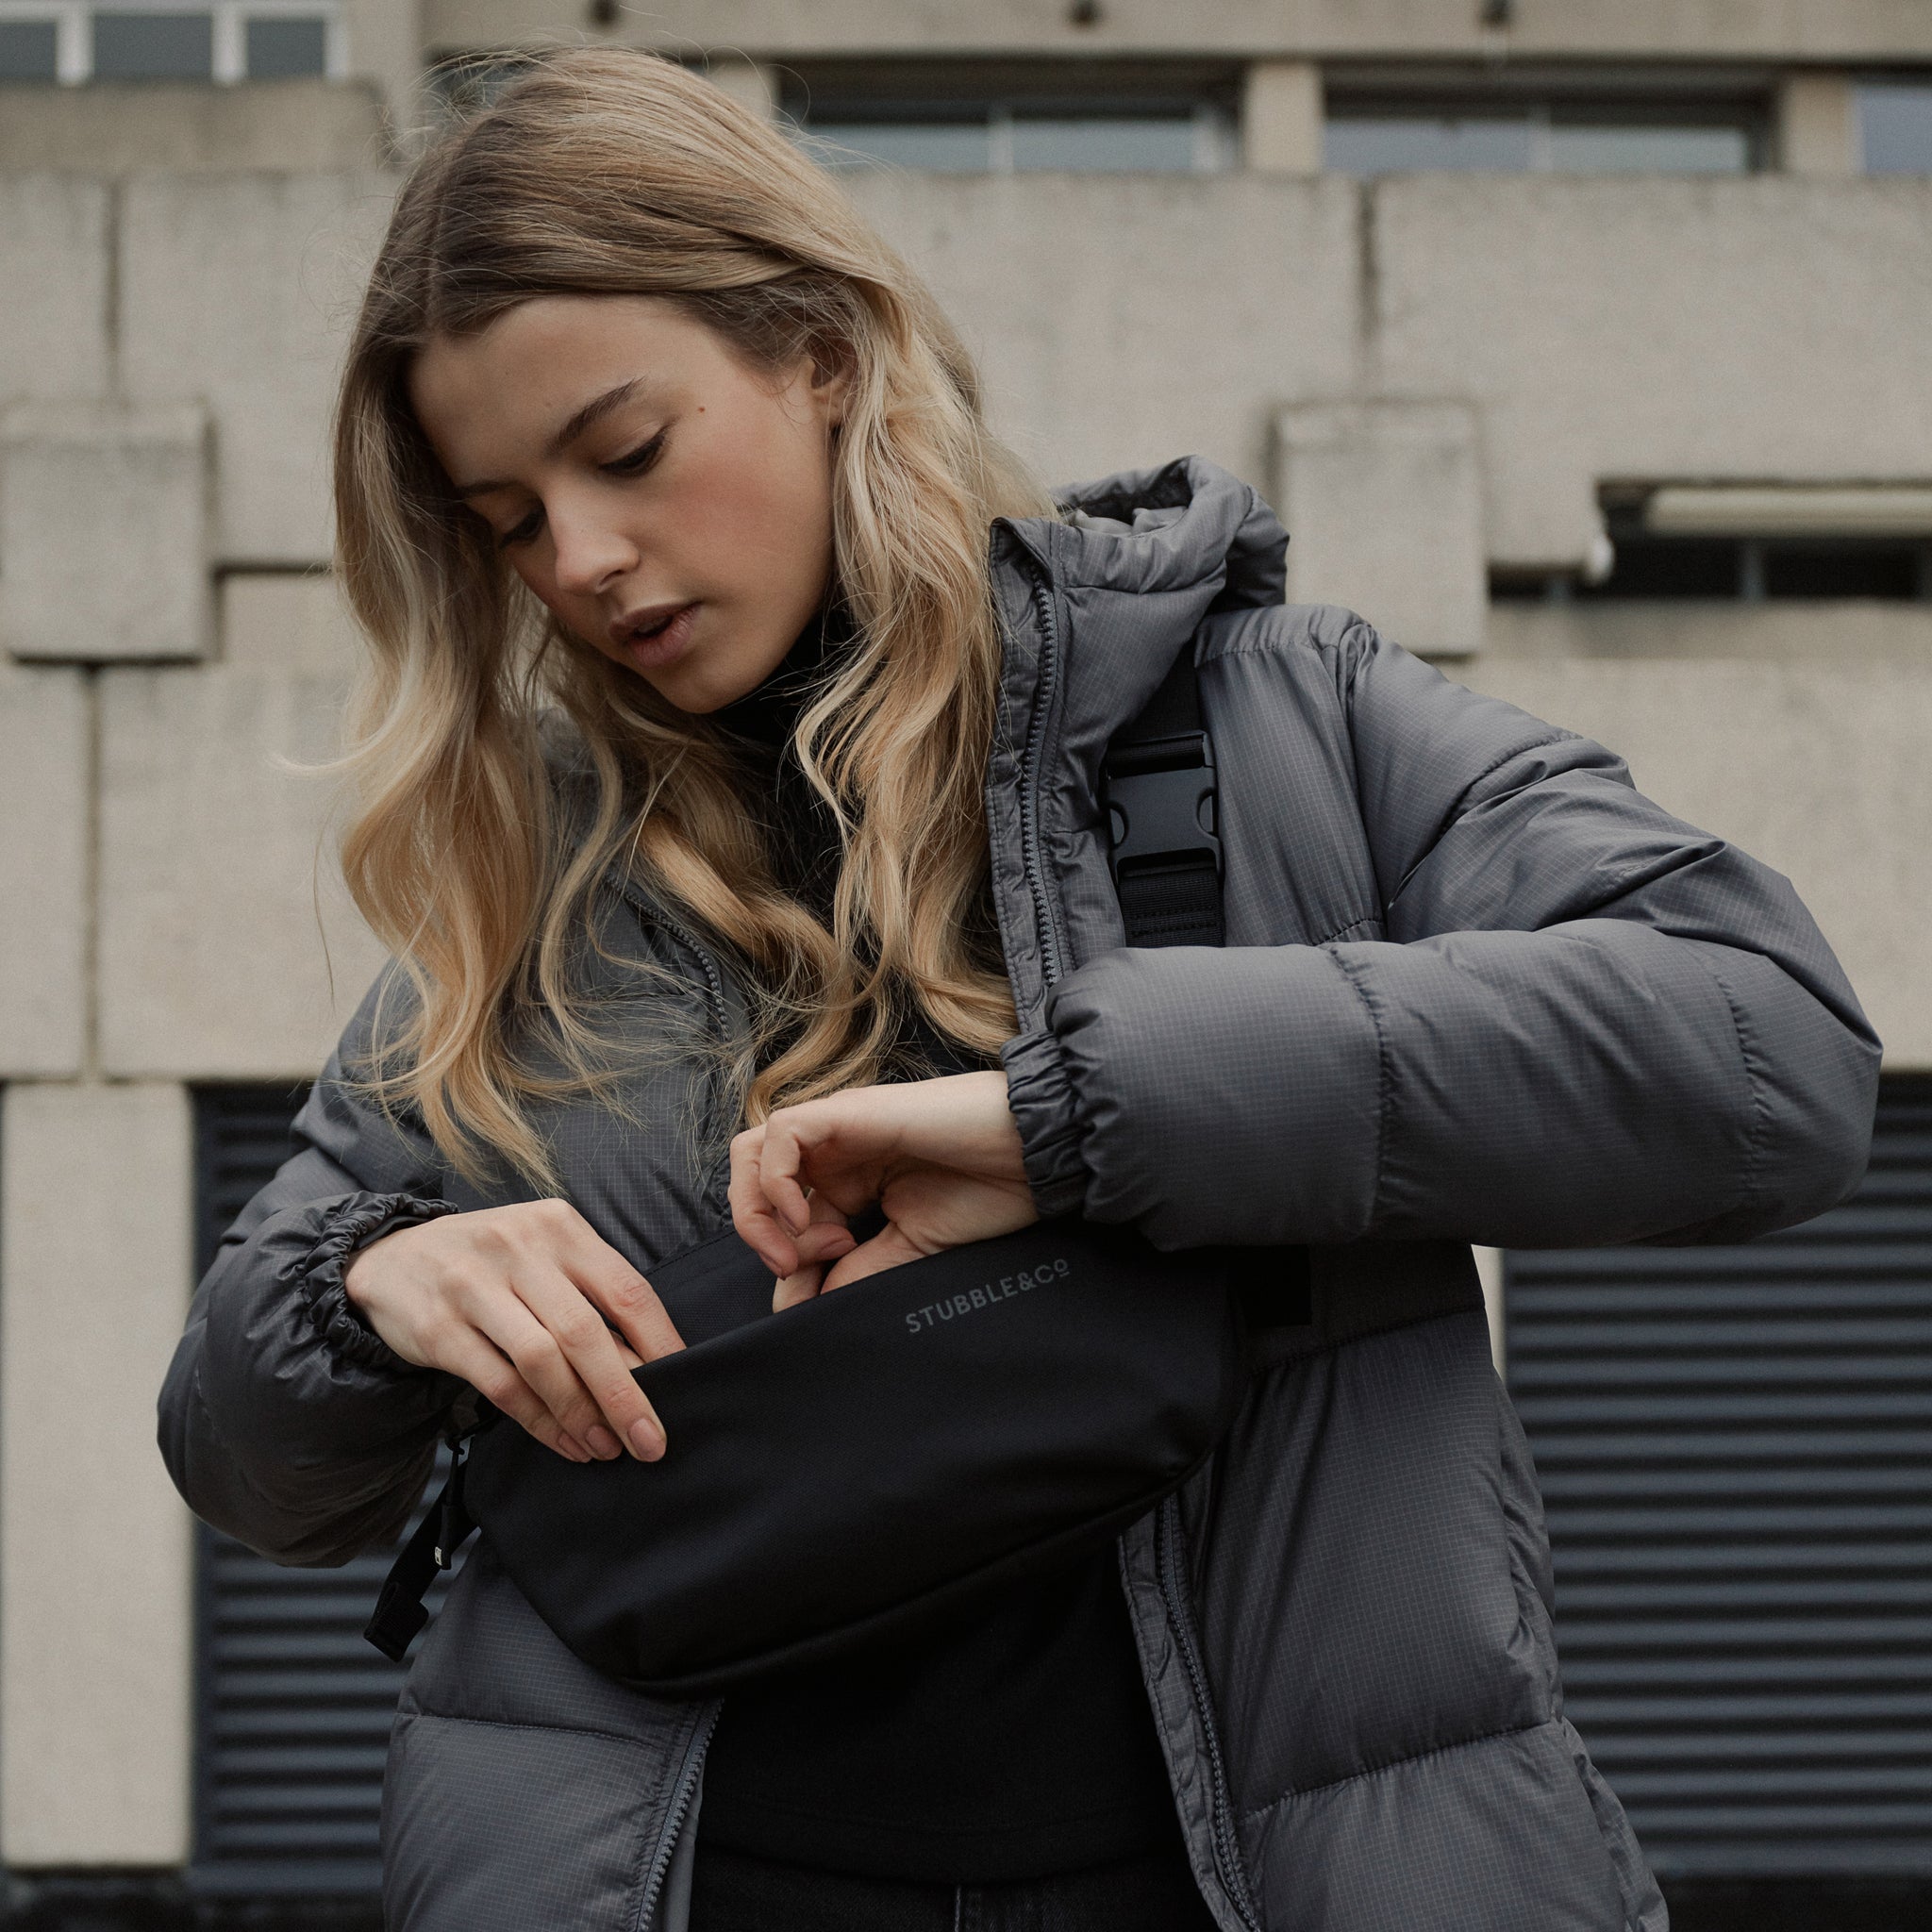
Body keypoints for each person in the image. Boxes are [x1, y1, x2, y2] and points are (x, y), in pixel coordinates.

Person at [158, 47, 1879, 1932]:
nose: (580, 560)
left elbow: (1764, 1047)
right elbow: (250, 1462)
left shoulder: (1268, 720)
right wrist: (366, 1287)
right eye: (505, 520)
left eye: (626, 451)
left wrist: (1071, 1124)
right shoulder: (535, 880)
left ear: (821, 349)